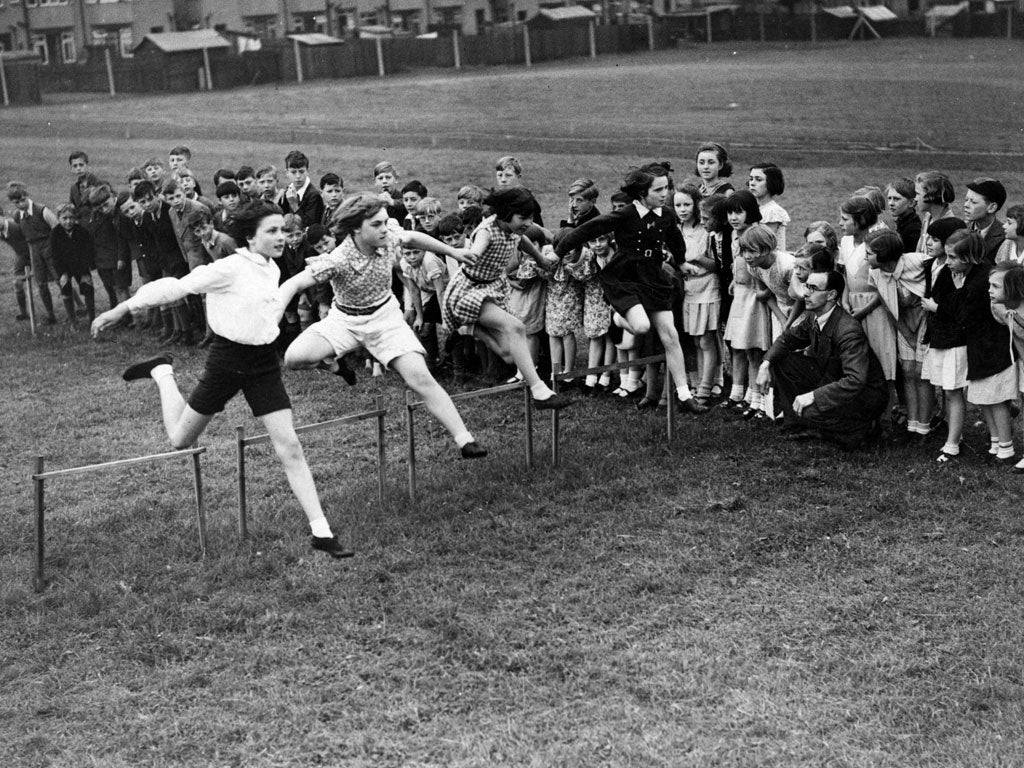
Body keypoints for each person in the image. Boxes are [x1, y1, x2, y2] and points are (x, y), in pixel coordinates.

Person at [91, 202, 354, 560]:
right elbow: (176, 287)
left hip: (262, 364)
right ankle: (162, 372)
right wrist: (121, 308)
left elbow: (266, 309)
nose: (280, 237)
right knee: (180, 440)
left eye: (282, 230)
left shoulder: (271, 267)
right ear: (250, 237)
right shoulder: (229, 267)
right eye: (272, 231)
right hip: (227, 362)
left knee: (289, 445)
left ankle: (321, 531)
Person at [279, 193, 491, 457]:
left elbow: (412, 237)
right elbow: (294, 283)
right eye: (376, 224)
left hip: (385, 319)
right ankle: (335, 364)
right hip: (345, 320)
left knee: (421, 378)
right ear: (356, 228)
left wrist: (452, 251)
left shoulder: (388, 236)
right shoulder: (338, 258)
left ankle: (465, 440)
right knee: (293, 358)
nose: (384, 228)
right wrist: (272, 315)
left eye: (385, 222)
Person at [553, 163, 708, 413]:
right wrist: (558, 253)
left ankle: (685, 396)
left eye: (666, 188)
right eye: (658, 190)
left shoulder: (666, 215)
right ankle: (617, 316)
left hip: (654, 277)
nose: (664, 193)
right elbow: (586, 229)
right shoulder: (625, 214)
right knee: (642, 326)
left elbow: (675, 241)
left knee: (670, 335)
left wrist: (682, 263)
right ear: (642, 193)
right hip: (625, 277)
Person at [443, 187, 572, 410]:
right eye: (524, 218)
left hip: (493, 288)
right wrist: (473, 254)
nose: (529, 223)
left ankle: (467, 330)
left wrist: (540, 259)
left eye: (531, 218)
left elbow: (522, 240)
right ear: (506, 213)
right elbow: (478, 248)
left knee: (509, 354)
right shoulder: (486, 231)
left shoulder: (512, 229)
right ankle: (539, 391)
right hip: (470, 291)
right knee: (516, 327)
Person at [757, 269, 887, 449]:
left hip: (864, 396)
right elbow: (787, 339)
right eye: (806, 286)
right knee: (782, 360)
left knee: (809, 411)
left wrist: (813, 396)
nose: (806, 293)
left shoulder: (848, 330)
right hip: (833, 378)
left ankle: (861, 429)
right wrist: (765, 364)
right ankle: (798, 423)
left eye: (813, 288)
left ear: (831, 295)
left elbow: (855, 380)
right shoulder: (815, 317)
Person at [864, 229, 931, 441]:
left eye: (869, 253)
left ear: (884, 255)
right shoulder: (875, 273)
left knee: (922, 373)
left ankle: (925, 426)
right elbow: (888, 305)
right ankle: (912, 426)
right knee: (909, 371)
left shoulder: (919, 262)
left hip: (926, 321)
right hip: (904, 323)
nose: (865, 257)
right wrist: (905, 333)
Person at [8, 181, 60, 325]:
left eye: (22, 200)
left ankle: (74, 310)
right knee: (41, 283)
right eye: (16, 202)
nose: (20, 204)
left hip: (49, 246)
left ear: (27, 195)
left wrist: (57, 249)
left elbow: (56, 228)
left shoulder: (41, 210)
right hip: (33, 250)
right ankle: (51, 315)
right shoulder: (18, 216)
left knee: (59, 278)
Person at [963, 177, 1007, 264]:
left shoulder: (1005, 237)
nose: (966, 205)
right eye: (966, 200)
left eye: (973, 202)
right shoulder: (961, 228)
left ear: (991, 207)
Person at [747, 162, 790, 250]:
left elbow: (763, 243)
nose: (752, 183)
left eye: (758, 180)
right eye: (751, 179)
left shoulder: (772, 211)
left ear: (770, 183)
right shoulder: (754, 208)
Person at [279, 150, 324, 228]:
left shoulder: (314, 195)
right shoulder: (288, 191)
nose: (298, 176)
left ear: (308, 171)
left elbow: (310, 225)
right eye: (293, 172)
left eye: (301, 171)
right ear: (287, 173)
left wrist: (294, 205)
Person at [885, 177, 921, 255]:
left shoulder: (913, 231)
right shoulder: (902, 222)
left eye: (896, 199)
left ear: (911, 203)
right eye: (889, 198)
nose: (891, 203)